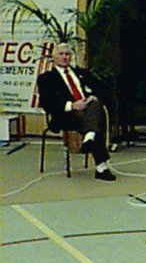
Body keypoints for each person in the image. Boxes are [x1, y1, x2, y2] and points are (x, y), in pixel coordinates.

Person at [37, 43, 116, 181]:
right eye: (61, 54)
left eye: (67, 54)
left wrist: (93, 96)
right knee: (97, 121)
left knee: (95, 105)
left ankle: (90, 136)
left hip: (88, 111)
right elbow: (46, 103)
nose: (64, 57)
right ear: (53, 57)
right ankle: (100, 166)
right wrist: (71, 105)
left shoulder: (81, 73)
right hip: (66, 115)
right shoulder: (46, 78)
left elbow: (100, 88)